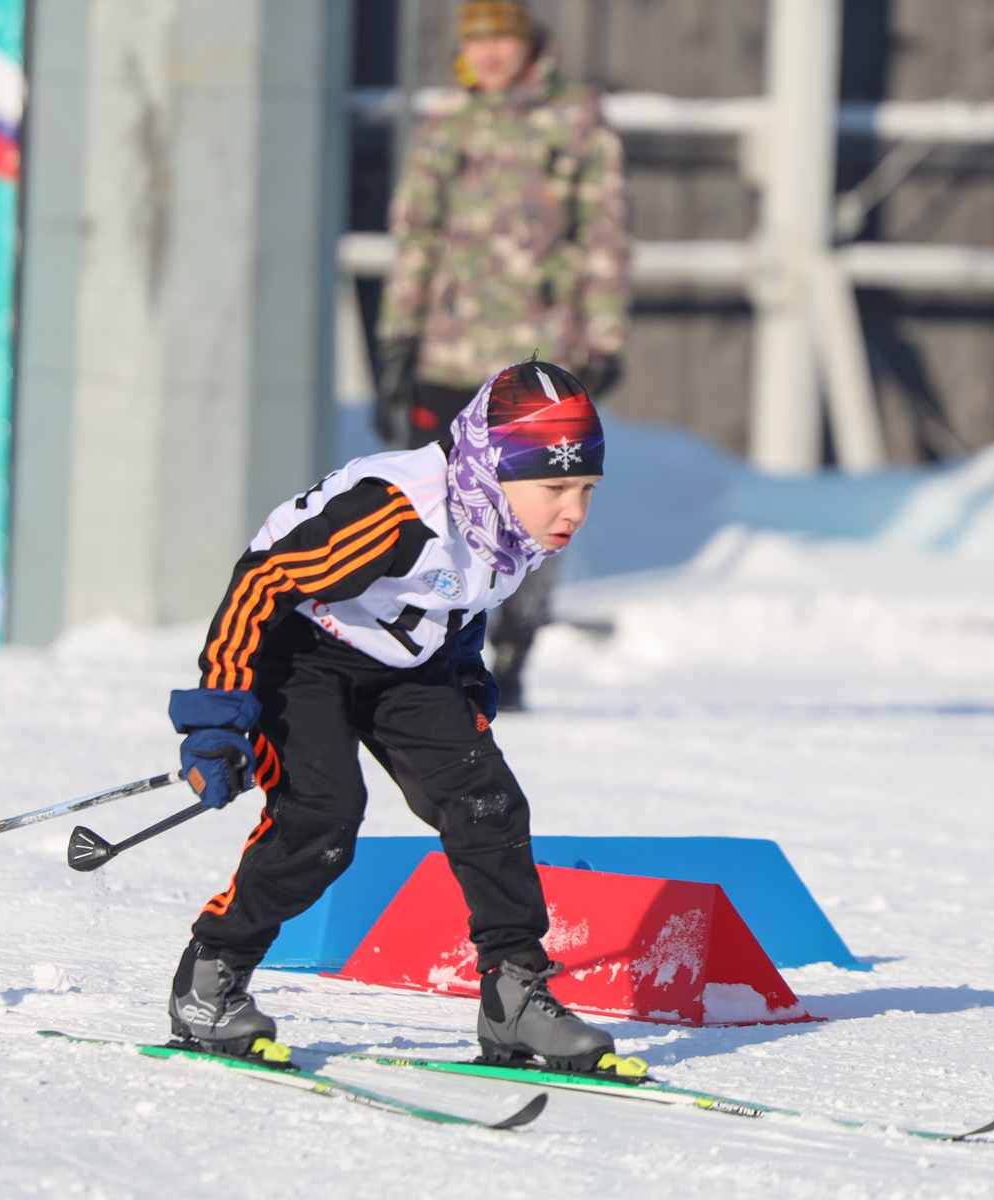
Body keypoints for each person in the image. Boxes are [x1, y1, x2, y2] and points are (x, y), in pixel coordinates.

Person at [165, 359, 623, 1072]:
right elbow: (263, 581)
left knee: (487, 802)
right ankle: (211, 978)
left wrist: (466, 676)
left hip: (404, 664)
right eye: (557, 487)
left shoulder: (513, 521)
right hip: (302, 649)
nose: (574, 511)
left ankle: (515, 999)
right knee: (322, 818)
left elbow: (457, 599)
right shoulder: (398, 509)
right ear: (493, 468)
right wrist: (218, 716)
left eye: (587, 489)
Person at [375, 0, 629, 710]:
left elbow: (603, 234)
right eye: (475, 40)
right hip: (449, 351)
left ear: (527, 43)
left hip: (537, 358)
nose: (488, 53)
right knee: (436, 503)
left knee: (539, 504)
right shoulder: (445, 126)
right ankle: (433, 645)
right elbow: (416, 237)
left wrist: (604, 339)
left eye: (501, 37)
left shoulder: (575, 120)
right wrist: (397, 338)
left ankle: (515, 644)